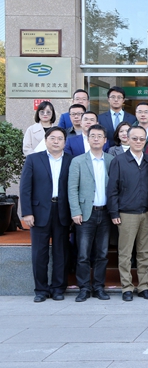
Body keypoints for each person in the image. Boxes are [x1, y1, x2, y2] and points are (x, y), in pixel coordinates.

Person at [20, 127, 72, 302]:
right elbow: (25, 188)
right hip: (39, 212)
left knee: (61, 252)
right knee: (39, 253)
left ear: (64, 142)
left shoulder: (71, 160)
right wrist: (27, 212)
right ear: (46, 140)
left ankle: (58, 288)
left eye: (60, 138)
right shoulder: (33, 159)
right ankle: (41, 290)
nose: (56, 141)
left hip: (62, 211)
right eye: (52, 138)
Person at [107, 125, 148, 302]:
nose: (138, 141)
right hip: (126, 213)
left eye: (142, 138)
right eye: (134, 138)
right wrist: (114, 212)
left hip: (147, 213)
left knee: (144, 252)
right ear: (127, 139)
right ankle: (126, 287)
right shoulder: (119, 161)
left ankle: (143, 286)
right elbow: (112, 189)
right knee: (125, 253)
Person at [67, 124, 113, 302]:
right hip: (86, 213)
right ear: (87, 138)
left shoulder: (111, 160)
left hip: (106, 213)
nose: (96, 139)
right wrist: (75, 211)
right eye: (92, 136)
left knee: (102, 253)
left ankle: (99, 287)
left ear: (105, 140)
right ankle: (84, 288)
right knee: (83, 254)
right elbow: (72, 188)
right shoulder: (78, 161)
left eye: (99, 136)